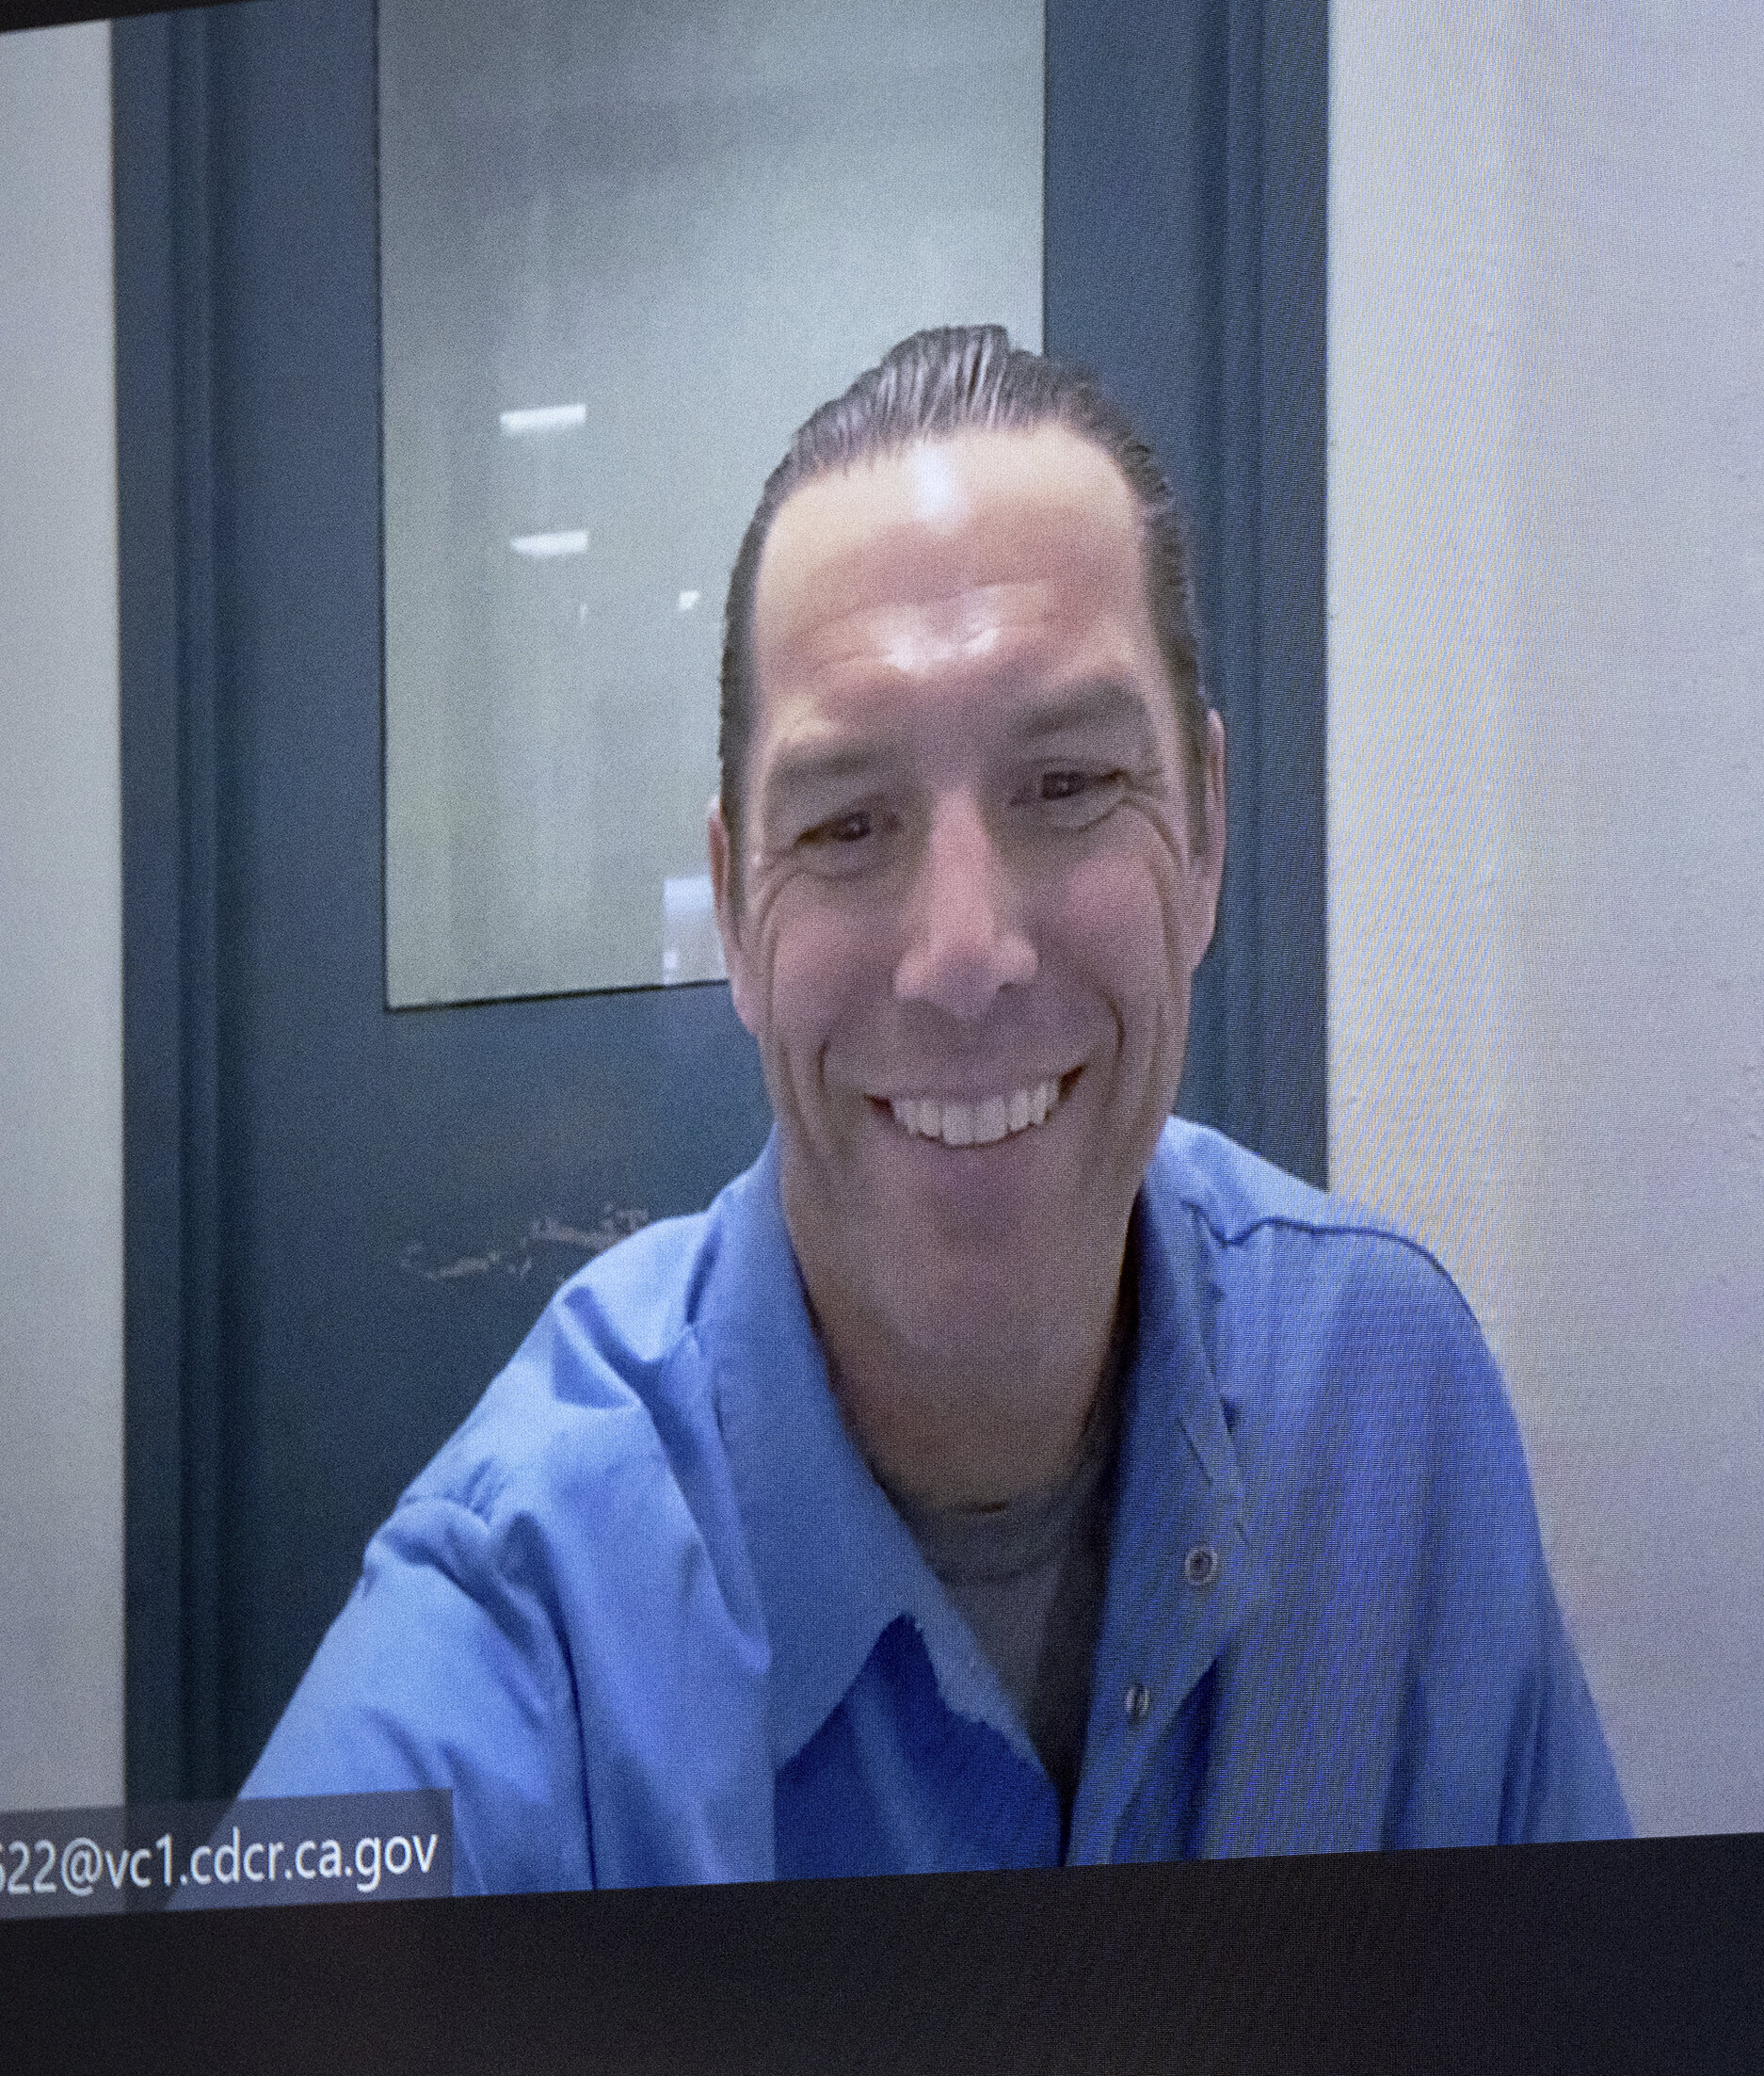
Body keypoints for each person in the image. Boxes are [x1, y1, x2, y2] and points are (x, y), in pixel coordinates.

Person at [248, 328, 1627, 1885]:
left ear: (1210, 834)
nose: (965, 952)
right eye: (846, 820)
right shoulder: (530, 1619)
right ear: (732, 910)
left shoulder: (1395, 1403)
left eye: (1067, 784)